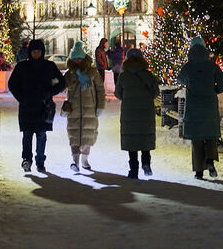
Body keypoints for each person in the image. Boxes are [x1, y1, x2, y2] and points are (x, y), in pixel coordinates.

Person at [7, 39, 66, 173]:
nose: (36, 54)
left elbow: (61, 82)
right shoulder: (22, 67)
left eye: (38, 51)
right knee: (27, 135)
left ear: (42, 52)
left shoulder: (49, 66)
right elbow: (12, 84)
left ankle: (40, 161)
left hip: (43, 107)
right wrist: (21, 97)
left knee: (41, 135)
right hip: (27, 107)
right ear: (30, 52)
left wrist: (50, 92)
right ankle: (26, 160)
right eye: (33, 52)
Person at [177, 36, 223, 180]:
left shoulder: (188, 67)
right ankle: (210, 160)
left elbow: (180, 79)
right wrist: (215, 90)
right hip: (209, 106)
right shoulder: (212, 66)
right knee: (210, 136)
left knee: (197, 139)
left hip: (193, 108)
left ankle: (199, 171)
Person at [115, 47, 160, 179]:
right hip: (146, 111)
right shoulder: (148, 75)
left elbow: (118, 94)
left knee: (132, 141)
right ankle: (146, 163)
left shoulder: (123, 76)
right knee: (145, 137)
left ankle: (133, 170)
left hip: (129, 113)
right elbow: (156, 92)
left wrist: (128, 98)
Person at [63, 41, 105, 173]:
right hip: (73, 109)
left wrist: (100, 106)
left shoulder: (92, 73)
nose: (77, 60)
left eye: (79, 58)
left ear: (84, 58)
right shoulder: (69, 74)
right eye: (74, 58)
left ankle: (84, 160)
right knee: (74, 135)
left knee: (88, 135)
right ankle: (75, 161)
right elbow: (61, 86)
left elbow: (100, 90)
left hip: (90, 109)